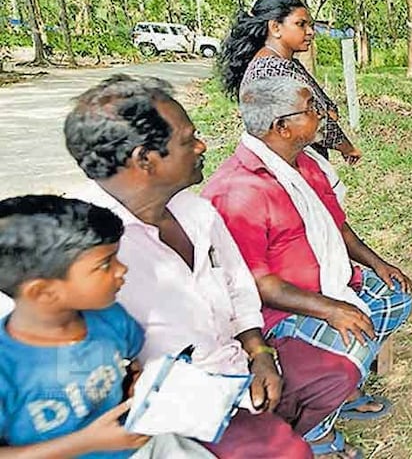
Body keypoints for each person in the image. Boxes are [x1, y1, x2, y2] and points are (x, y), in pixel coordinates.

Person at [64, 75, 361, 459]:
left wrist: (259, 352)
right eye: (188, 140)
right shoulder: (81, 249)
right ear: (144, 160)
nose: (202, 146)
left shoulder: (197, 213)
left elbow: (239, 287)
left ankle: (278, 433)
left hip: (237, 365)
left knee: (337, 374)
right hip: (176, 410)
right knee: (285, 451)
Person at [202, 77, 412, 428]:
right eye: (311, 109)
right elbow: (255, 285)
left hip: (333, 283)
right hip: (280, 312)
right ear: (281, 126)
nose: (322, 114)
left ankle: (341, 385)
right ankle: (316, 427)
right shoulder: (237, 191)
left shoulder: (305, 164)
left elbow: (338, 227)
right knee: (351, 347)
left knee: (397, 297)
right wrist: (331, 309)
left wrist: (379, 264)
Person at [0, 195, 211, 458]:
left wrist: (137, 384)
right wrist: (86, 443)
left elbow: (131, 365)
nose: (122, 270)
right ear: (43, 292)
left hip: (142, 445)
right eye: (105, 264)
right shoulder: (7, 369)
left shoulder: (111, 318)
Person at [217, 0, 362, 165]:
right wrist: (347, 148)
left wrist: (326, 112)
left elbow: (323, 108)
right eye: (301, 24)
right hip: (290, 166)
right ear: (275, 28)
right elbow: (316, 122)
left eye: (310, 25)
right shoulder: (272, 70)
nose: (310, 32)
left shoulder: (284, 62)